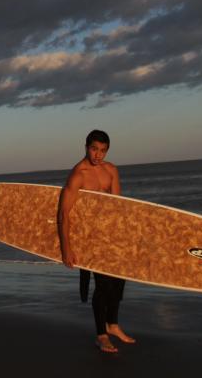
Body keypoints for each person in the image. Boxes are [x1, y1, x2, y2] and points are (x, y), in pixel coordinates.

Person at [57, 129, 136, 353]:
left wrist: (124, 237)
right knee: (102, 286)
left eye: (102, 150)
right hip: (89, 238)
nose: (98, 154)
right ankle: (101, 335)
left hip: (109, 236)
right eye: (94, 149)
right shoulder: (78, 175)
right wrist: (66, 248)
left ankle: (113, 325)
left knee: (119, 280)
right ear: (86, 147)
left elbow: (116, 207)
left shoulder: (111, 170)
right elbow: (64, 214)